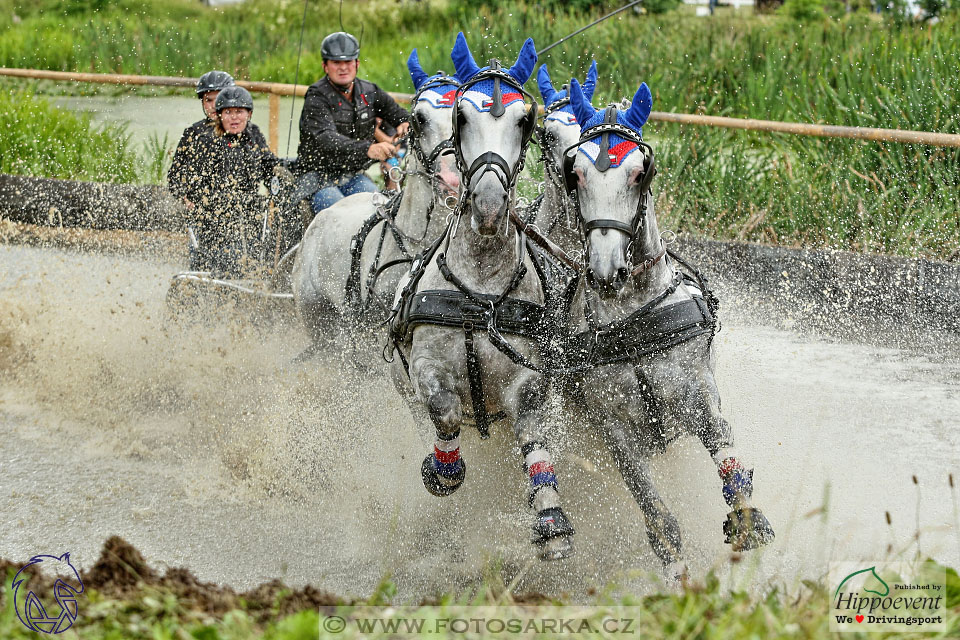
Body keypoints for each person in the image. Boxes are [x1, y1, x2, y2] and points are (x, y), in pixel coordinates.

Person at [167, 85, 284, 277]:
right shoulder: (206, 141)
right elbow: (193, 181)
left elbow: (269, 165)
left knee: (265, 242)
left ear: (249, 114)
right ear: (220, 116)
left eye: (239, 112)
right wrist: (192, 200)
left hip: (250, 210)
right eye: (228, 112)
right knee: (228, 249)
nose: (234, 118)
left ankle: (263, 277)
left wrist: (277, 178)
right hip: (214, 213)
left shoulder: (254, 137)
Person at [297, 31, 410, 214]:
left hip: (354, 176)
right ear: (325, 66)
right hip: (317, 178)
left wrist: (404, 122)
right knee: (341, 214)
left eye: (348, 62)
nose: (343, 68)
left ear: (356, 64)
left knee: (379, 209)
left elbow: (399, 114)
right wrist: (368, 148)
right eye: (336, 62)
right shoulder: (316, 96)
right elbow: (327, 138)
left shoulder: (369, 90)